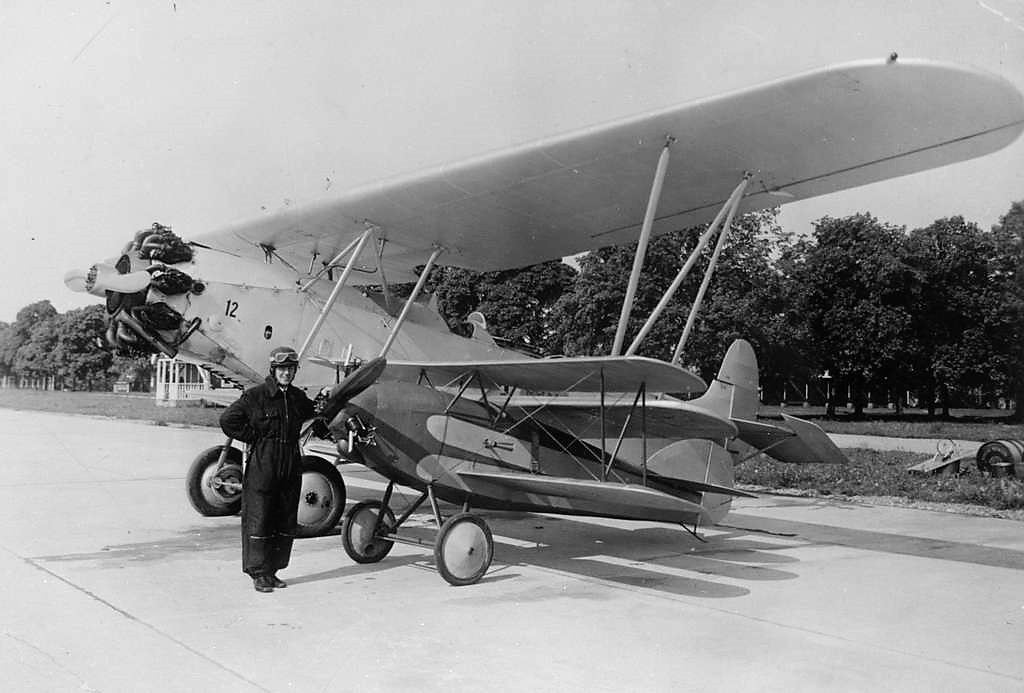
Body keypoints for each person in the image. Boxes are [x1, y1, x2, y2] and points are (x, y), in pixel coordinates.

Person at [219, 345, 316, 593]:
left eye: (290, 369)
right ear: (274, 370)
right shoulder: (256, 396)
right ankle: (258, 573)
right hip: (265, 461)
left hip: (290, 460)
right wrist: (254, 438)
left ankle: (273, 571)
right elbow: (228, 420)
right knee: (260, 517)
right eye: (282, 369)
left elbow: (315, 413)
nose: (286, 373)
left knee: (284, 517)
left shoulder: (296, 397)